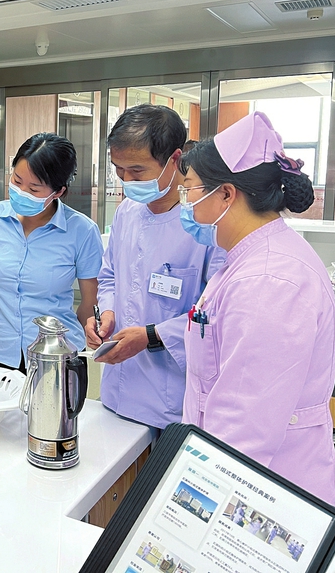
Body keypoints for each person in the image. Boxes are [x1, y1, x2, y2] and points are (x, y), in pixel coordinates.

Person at [178, 111, 335, 508]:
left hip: (265, 491)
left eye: (190, 190)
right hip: (247, 476)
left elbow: (244, 428)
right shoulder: (250, 259)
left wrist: (196, 504)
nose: (187, 204)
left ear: (226, 194)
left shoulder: (268, 281)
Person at [85, 105, 225, 432]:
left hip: (171, 396)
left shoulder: (205, 224)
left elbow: (216, 312)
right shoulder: (127, 213)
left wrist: (151, 336)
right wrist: (107, 313)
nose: (126, 181)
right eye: (119, 170)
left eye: (137, 171)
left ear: (175, 159)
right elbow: (110, 276)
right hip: (117, 390)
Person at [0, 133, 102, 371]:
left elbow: (89, 302)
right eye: (17, 180)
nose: (22, 192)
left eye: (34, 189)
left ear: (58, 192)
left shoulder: (82, 230)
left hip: (57, 356)